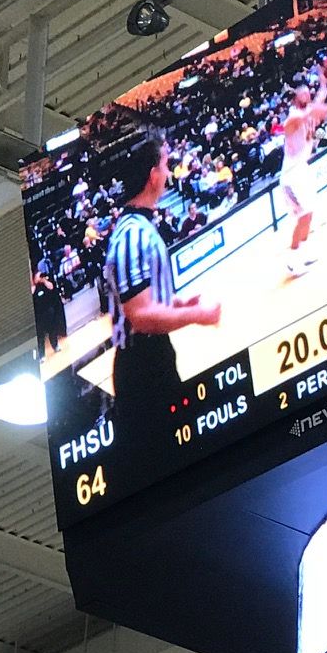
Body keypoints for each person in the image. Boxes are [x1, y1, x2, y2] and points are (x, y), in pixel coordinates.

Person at [100, 123, 224, 447]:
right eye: (166, 164)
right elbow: (140, 317)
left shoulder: (138, 227)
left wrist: (179, 303)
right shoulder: (131, 234)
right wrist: (199, 316)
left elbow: (146, 301)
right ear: (153, 175)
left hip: (152, 358)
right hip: (142, 367)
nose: (169, 172)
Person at [276, 56, 327, 277]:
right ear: (295, 97)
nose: (307, 93)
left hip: (302, 171)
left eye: (308, 90)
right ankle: (291, 259)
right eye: (302, 92)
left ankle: (302, 253)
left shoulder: (309, 112)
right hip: (290, 176)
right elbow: (309, 112)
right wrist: (325, 86)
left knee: (310, 214)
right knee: (303, 215)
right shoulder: (294, 117)